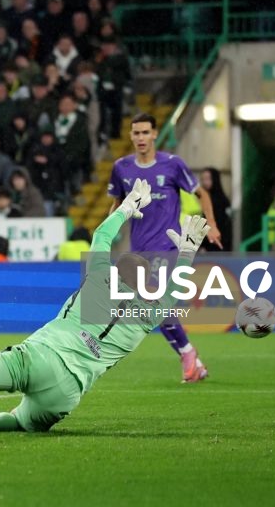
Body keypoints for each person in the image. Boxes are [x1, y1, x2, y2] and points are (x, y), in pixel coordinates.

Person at [0, 181, 212, 434]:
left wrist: (124, 209)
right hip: (68, 393)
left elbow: (101, 238)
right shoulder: (144, 319)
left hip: (41, 357)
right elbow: (171, 296)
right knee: (20, 421)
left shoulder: (97, 282)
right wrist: (186, 255)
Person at [108, 113, 221, 383]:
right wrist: (107, 231)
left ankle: (189, 358)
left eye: (145, 132)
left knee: (153, 301)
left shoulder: (172, 164)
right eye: (136, 133)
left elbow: (201, 193)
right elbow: (116, 204)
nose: (140, 138)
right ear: (131, 136)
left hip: (168, 246)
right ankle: (191, 357)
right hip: (139, 251)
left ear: (155, 134)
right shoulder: (121, 167)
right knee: (154, 309)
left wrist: (212, 225)